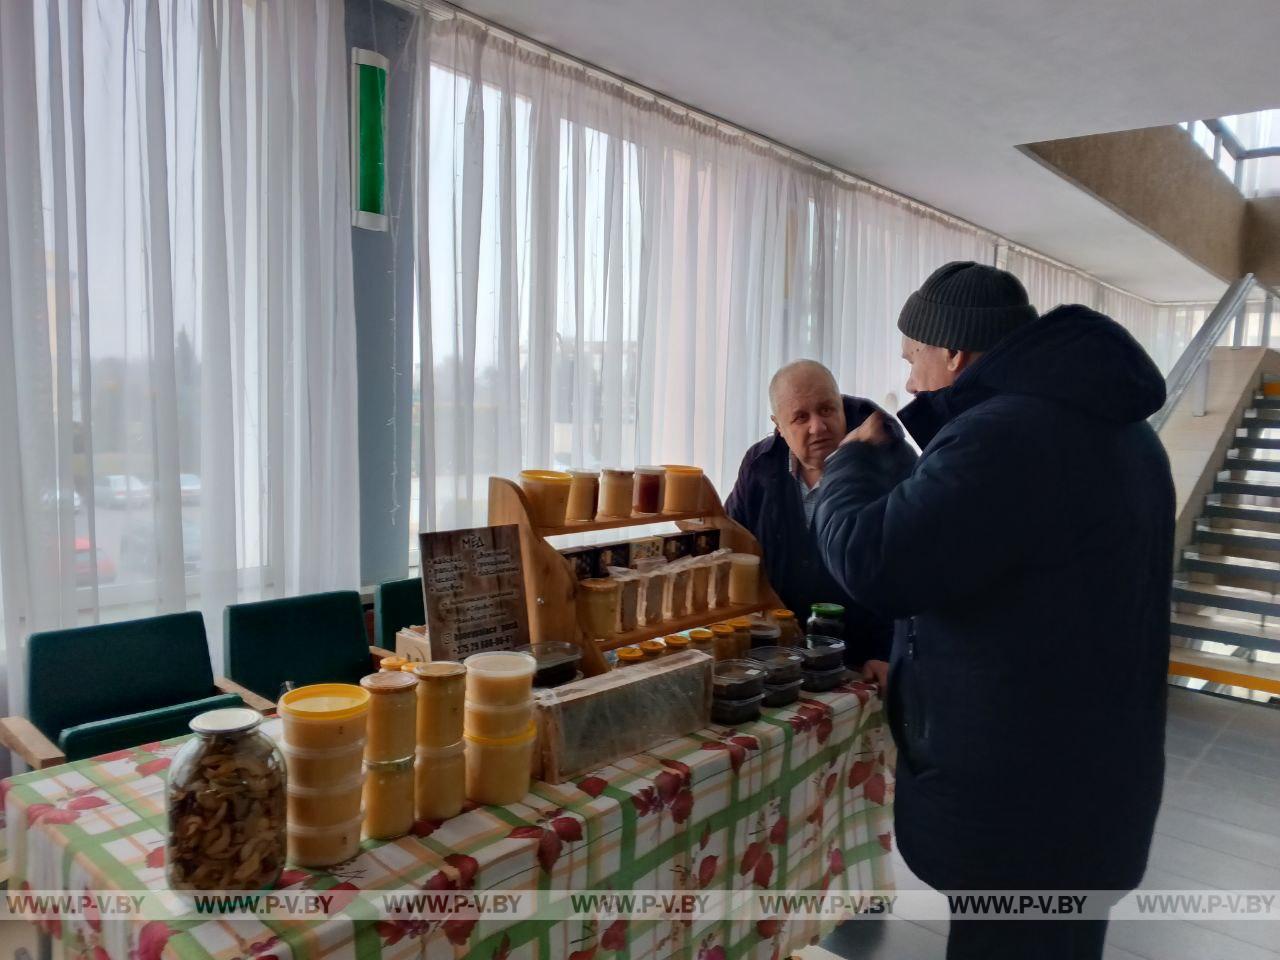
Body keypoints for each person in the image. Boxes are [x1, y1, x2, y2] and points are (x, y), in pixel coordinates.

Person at [814, 262, 1172, 959]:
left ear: (953, 352)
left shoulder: (1009, 436)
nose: (911, 381)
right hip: (1090, 784)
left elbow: (873, 561)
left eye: (914, 360)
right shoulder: (1122, 430)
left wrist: (849, 469)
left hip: (1023, 807)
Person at [725, 360, 915, 669]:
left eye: (826, 409)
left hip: (865, 659)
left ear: (841, 405)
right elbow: (734, 545)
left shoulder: (888, 462)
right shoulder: (759, 465)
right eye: (800, 417)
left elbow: (911, 569)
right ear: (778, 426)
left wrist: (887, 653)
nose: (818, 427)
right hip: (777, 656)